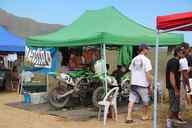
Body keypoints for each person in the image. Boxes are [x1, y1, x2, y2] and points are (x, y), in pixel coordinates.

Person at [126, 44, 152, 123]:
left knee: (131, 100)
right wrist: (150, 84)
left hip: (133, 83)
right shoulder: (146, 60)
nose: (148, 50)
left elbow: (130, 72)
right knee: (146, 101)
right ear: (144, 49)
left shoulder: (134, 59)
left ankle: (128, 117)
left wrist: (131, 83)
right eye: (147, 49)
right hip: (142, 84)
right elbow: (148, 74)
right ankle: (144, 116)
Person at [166, 46, 186, 125]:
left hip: (172, 86)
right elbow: (171, 76)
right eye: (182, 52)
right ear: (177, 53)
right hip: (173, 87)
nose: (183, 54)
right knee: (174, 104)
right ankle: (169, 121)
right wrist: (176, 89)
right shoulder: (174, 62)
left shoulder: (173, 61)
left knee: (174, 104)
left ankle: (172, 122)